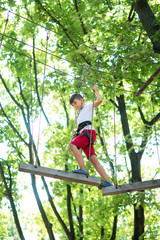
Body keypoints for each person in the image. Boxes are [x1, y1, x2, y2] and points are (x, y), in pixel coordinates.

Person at [69, 84, 112, 189]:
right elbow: (82, 124)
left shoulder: (88, 106)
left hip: (88, 132)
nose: (75, 106)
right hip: (85, 133)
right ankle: (107, 181)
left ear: (82, 100)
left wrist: (96, 90)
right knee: (93, 159)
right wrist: (78, 133)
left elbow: (100, 100)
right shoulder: (79, 113)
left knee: (73, 146)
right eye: (73, 105)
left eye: (76, 103)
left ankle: (82, 169)